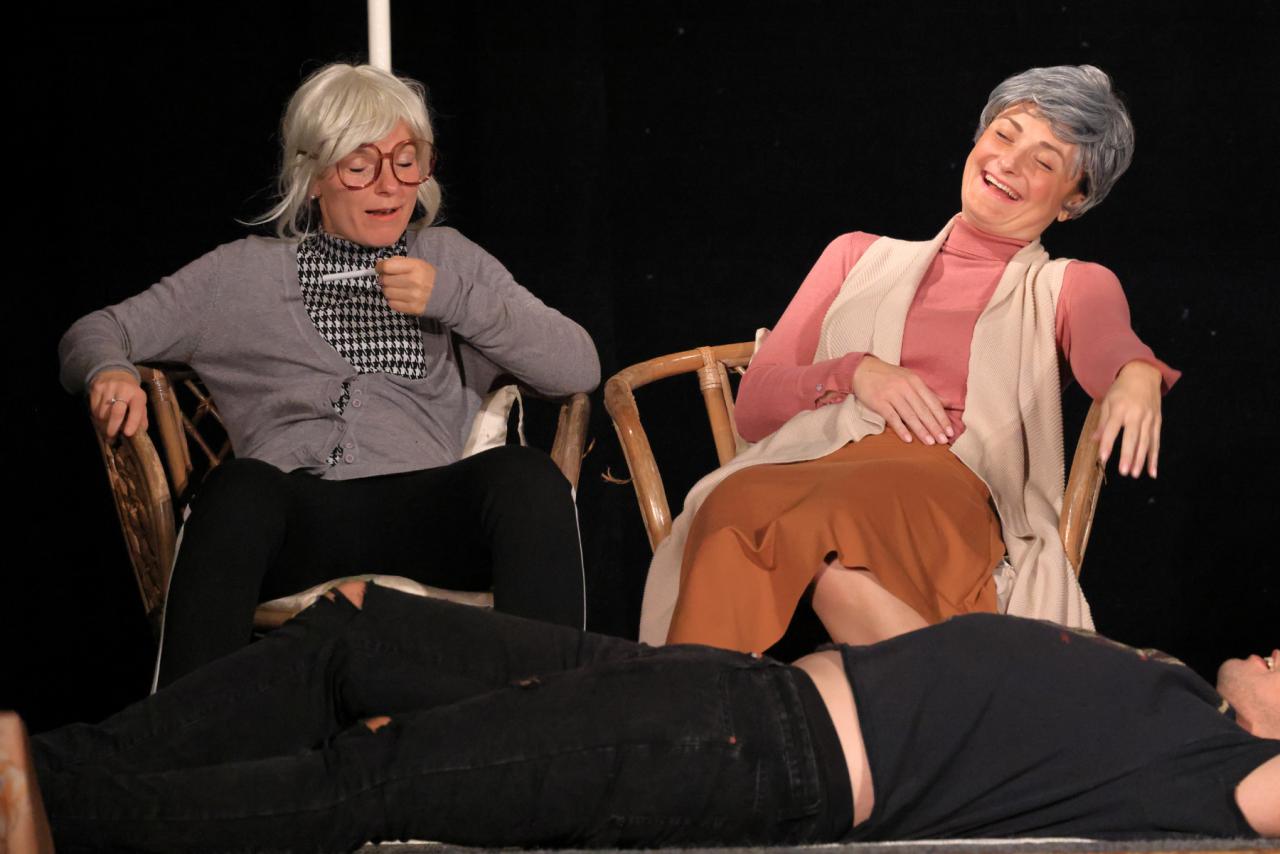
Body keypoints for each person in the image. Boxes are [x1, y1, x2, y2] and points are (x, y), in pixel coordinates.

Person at [8, 580, 1277, 851]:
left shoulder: (1221, 763)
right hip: (719, 683)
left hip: (748, 750)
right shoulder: (1164, 681)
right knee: (355, 630)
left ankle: (66, 813)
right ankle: (51, 768)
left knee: (376, 779)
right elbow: (863, 606)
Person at [58, 64, 600, 685]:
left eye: (407, 161)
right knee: (235, 491)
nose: (390, 184)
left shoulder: (448, 258)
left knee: (526, 478)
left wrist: (453, 299)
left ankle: (551, 715)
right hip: (297, 522)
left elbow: (577, 365)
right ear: (313, 175)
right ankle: (188, 735)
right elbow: (97, 329)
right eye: (360, 165)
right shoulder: (238, 276)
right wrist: (110, 370)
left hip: (422, 511)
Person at [639, 65, 1179, 651]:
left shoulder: (1069, 284)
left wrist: (1136, 375)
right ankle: (698, 703)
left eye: (1045, 162)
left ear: (1074, 201)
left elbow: (1111, 348)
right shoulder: (856, 255)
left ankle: (706, 699)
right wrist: (856, 373)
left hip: (940, 484)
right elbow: (754, 409)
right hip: (810, 463)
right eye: (1004, 134)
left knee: (812, 520)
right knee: (734, 504)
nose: (1009, 163)